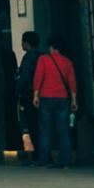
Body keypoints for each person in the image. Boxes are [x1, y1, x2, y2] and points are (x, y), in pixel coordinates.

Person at [32, 34, 79, 168]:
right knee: (63, 131)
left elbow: (38, 77)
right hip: (62, 99)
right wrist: (74, 100)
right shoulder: (67, 62)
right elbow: (72, 82)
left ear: (51, 47)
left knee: (45, 131)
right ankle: (65, 162)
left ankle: (44, 161)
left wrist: (35, 95)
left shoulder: (43, 59)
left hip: (46, 97)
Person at [14, 30, 43, 165]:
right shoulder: (43, 56)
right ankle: (44, 154)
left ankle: (37, 155)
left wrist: (18, 88)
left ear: (26, 43)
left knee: (32, 125)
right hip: (43, 93)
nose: (21, 44)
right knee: (42, 125)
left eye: (22, 41)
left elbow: (25, 77)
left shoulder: (28, 57)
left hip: (30, 93)